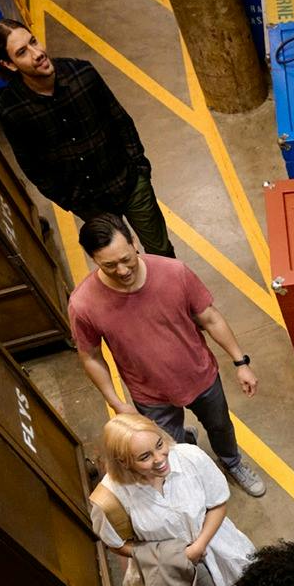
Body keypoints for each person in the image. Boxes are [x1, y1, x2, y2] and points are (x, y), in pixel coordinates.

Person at [70, 213, 267, 497]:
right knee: (166, 450)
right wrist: (117, 403)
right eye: (110, 265)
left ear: (133, 241)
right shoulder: (83, 303)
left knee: (221, 426)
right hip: (150, 395)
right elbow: (90, 356)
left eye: (127, 258)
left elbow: (210, 318)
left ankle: (232, 462)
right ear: (93, 259)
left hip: (201, 377)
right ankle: (190, 471)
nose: (123, 270)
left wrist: (240, 362)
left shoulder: (174, 272)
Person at [0, 18, 173, 257]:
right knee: (122, 258)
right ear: (9, 64)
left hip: (129, 182)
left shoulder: (83, 74)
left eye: (33, 41)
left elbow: (121, 121)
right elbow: (32, 165)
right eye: (22, 52)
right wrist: (70, 199)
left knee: (162, 252)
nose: (37, 53)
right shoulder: (12, 110)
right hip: (90, 203)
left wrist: (140, 170)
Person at [92, 413, 255, 586]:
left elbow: (218, 504)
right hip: (171, 568)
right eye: (145, 457)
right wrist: (170, 556)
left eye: (159, 445)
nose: (160, 459)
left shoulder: (190, 457)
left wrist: (198, 546)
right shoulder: (110, 498)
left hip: (218, 543)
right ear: (123, 462)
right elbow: (116, 544)